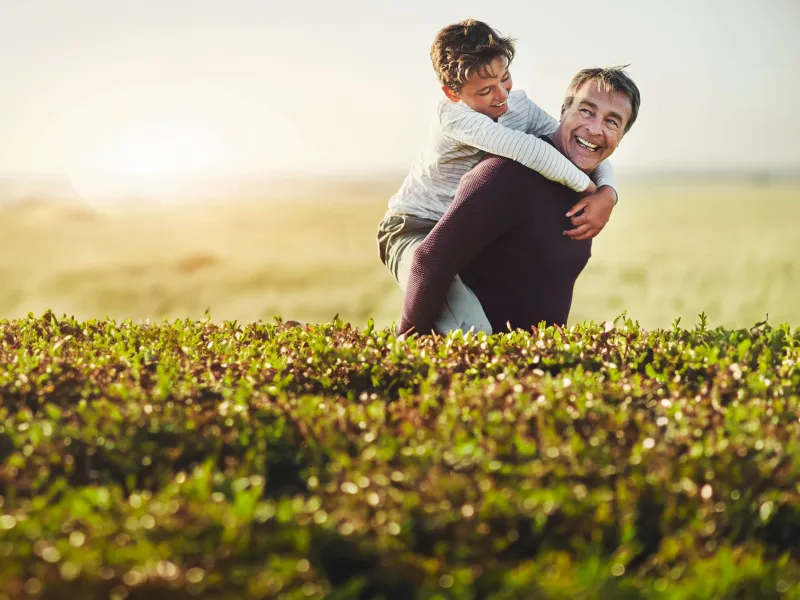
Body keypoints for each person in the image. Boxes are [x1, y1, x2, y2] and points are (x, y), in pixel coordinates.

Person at [376, 19, 619, 335]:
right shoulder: (455, 118)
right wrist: (588, 188)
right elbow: (529, 149)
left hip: (459, 231)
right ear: (452, 93)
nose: (501, 95)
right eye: (485, 91)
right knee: (470, 332)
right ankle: (399, 357)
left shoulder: (518, 106)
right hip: (411, 229)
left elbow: (572, 143)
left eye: (505, 79)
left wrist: (608, 191)